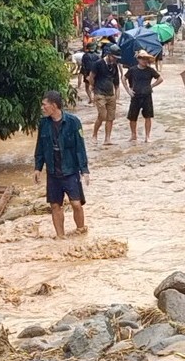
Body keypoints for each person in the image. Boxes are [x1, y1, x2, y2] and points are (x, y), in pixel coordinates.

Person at [33, 89, 90, 239]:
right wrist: (37, 168)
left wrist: (84, 170)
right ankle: (60, 237)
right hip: (53, 172)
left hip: (70, 170)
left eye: (44, 105)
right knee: (55, 205)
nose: (42, 107)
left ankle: (81, 232)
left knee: (76, 204)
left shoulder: (73, 122)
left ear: (54, 105)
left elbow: (80, 147)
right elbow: (40, 147)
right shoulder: (43, 124)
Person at [124, 49, 162, 143]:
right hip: (135, 95)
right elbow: (124, 78)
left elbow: (160, 79)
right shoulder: (132, 70)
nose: (144, 61)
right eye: (142, 59)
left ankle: (147, 136)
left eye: (146, 59)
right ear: (138, 59)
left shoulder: (150, 70)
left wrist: (152, 85)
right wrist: (128, 91)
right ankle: (133, 135)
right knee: (132, 117)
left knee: (148, 117)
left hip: (147, 95)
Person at [91, 45, 121, 145]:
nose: (115, 60)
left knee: (110, 117)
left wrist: (117, 95)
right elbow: (91, 77)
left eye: (116, 58)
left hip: (110, 94)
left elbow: (116, 82)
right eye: (114, 57)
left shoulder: (114, 66)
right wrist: (93, 88)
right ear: (108, 54)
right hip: (100, 93)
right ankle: (94, 135)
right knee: (102, 115)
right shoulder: (98, 64)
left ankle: (107, 138)